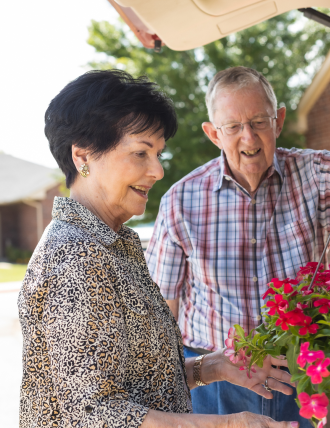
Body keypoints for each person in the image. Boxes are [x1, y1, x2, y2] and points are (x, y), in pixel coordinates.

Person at [18, 69, 299, 428]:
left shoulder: (111, 245)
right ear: (83, 157)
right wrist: (229, 424)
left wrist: (214, 366)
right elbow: (92, 414)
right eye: (141, 153)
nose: (158, 170)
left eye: (158, 153)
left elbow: (140, 384)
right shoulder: (76, 255)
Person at [146, 66, 330, 423]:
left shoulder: (311, 172)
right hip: (217, 384)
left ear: (279, 121)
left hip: (302, 372)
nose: (249, 138)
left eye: (259, 122)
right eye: (233, 127)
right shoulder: (180, 201)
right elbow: (161, 318)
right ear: (213, 134)